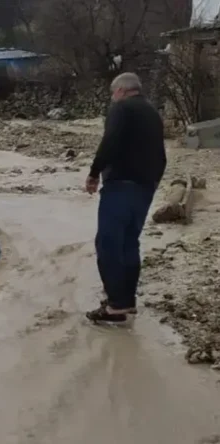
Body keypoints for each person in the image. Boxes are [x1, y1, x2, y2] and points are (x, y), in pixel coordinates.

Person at [85, 72, 166, 323]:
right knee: (130, 243)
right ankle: (127, 301)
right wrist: (152, 183)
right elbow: (161, 155)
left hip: (121, 184)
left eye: (113, 93)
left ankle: (116, 305)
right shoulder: (152, 112)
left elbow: (110, 141)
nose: (112, 98)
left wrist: (94, 173)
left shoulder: (121, 109)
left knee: (108, 244)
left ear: (120, 91)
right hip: (145, 187)